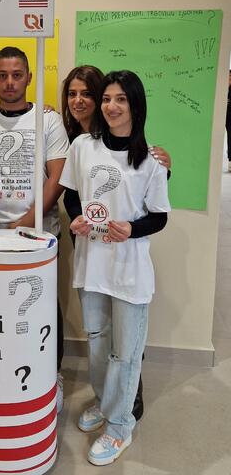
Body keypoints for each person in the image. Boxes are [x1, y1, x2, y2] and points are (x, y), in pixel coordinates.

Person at [60, 70, 170, 466]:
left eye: (121, 99)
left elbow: (159, 216)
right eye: (107, 98)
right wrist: (77, 218)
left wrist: (131, 229)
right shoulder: (83, 147)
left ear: (135, 105)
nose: (111, 106)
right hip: (92, 265)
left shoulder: (152, 160)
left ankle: (120, 426)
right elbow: (72, 195)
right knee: (98, 344)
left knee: (126, 353)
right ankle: (105, 404)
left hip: (129, 270)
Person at [0, 46, 69, 411]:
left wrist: (25, 223)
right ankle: (1, 374)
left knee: (42, 307)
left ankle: (51, 375)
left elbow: (57, 179)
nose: (10, 82)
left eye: (17, 75)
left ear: (29, 78)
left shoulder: (49, 121)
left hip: (37, 234)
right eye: (3, 75)